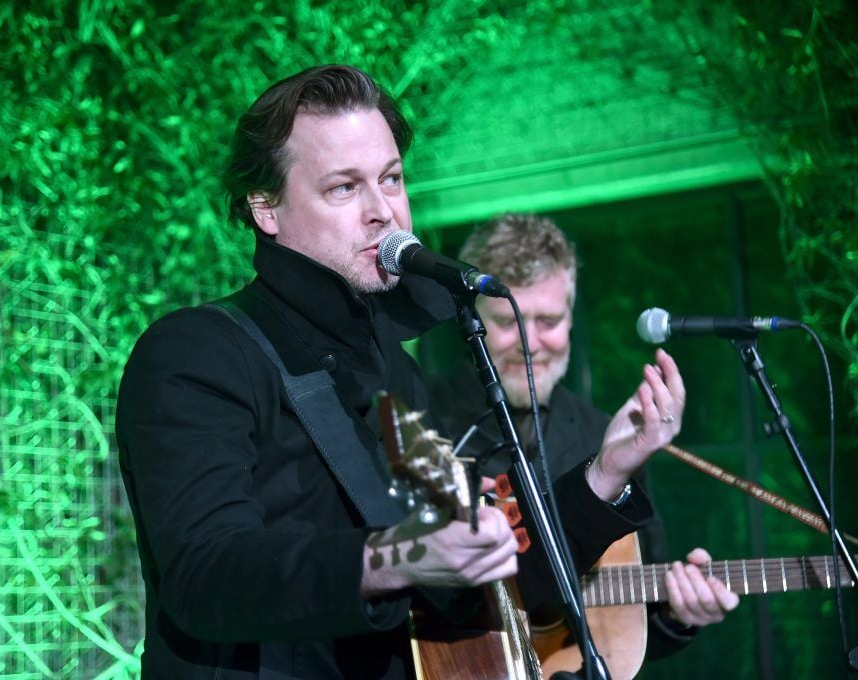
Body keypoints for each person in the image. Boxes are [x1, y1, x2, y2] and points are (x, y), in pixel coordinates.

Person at [115, 65, 686, 679]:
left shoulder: (392, 370)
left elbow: (484, 588)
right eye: (343, 188)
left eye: (391, 179)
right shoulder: (197, 352)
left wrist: (605, 473)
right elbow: (205, 576)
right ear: (266, 208)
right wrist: (399, 558)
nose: (383, 210)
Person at [423, 213, 740, 664]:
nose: (529, 343)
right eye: (507, 321)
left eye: (548, 320)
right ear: (472, 319)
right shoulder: (421, 411)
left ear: (571, 319)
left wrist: (677, 616)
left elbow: (629, 621)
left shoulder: (603, 434)